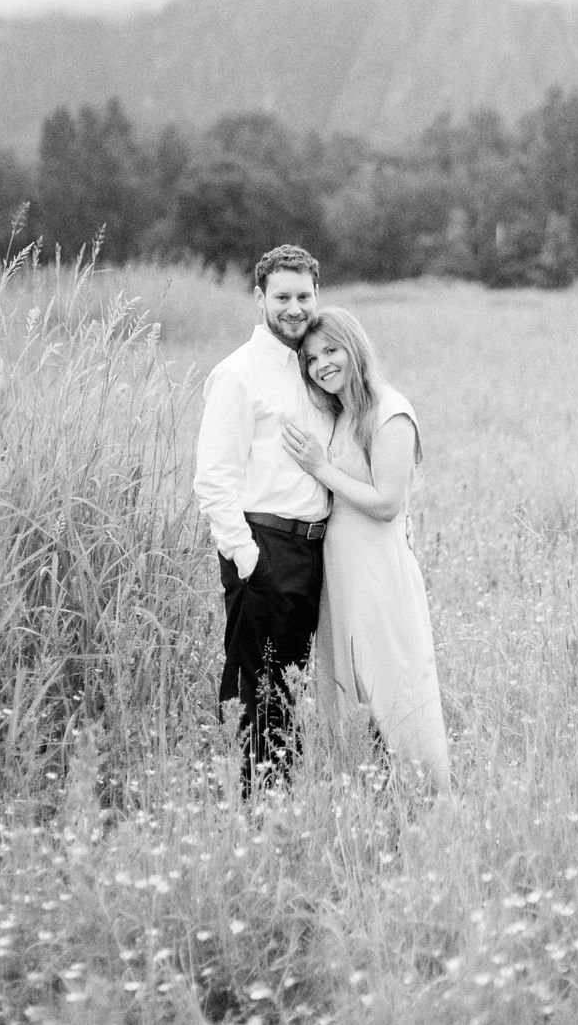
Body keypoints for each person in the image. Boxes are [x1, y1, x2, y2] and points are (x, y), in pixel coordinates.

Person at [281, 306, 451, 794]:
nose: (321, 365)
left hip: (377, 569)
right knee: (350, 686)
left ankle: (424, 793)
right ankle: (366, 790)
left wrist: (319, 466)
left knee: (392, 683)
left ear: (354, 348)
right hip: (342, 570)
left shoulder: (388, 411)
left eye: (331, 350)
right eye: (312, 359)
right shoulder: (343, 414)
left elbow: (387, 503)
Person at [193, 244, 333, 796]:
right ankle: (256, 808)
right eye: (282, 297)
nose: (294, 308)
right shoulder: (237, 375)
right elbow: (214, 478)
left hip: (313, 549)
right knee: (261, 690)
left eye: (304, 295)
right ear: (259, 299)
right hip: (265, 548)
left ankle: (283, 799)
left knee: (293, 687)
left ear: (316, 295)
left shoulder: (316, 367)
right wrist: (247, 558)